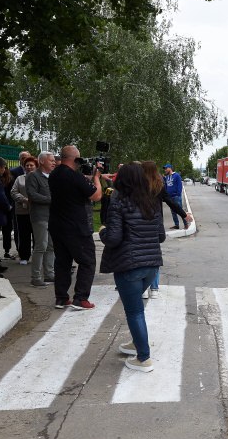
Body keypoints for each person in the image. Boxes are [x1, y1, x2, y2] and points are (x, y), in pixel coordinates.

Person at [100, 163, 166, 373]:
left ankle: (144, 358)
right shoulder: (153, 203)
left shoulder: (119, 204)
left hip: (129, 266)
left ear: (122, 180)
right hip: (151, 267)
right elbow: (161, 236)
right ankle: (137, 343)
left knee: (134, 311)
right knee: (137, 309)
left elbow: (113, 238)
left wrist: (102, 231)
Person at [48, 146, 102, 310]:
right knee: (87, 261)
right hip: (76, 227)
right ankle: (81, 298)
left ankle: (61, 298)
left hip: (57, 225)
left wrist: (89, 177)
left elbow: (74, 186)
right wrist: (97, 178)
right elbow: (96, 195)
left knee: (62, 262)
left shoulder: (54, 174)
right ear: (74, 159)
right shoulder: (74, 176)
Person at [142, 161, 192, 298]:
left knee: (142, 256)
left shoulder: (137, 187)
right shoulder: (158, 186)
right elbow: (170, 201)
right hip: (155, 224)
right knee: (154, 256)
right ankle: (154, 289)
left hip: (140, 225)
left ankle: (144, 289)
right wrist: (184, 214)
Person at [26, 152, 56, 288]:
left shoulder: (53, 176)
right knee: (41, 246)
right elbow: (32, 195)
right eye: (51, 160)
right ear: (42, 161)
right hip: (40, 216)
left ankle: (49, 274)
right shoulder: (33, 176)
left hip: (52, 216)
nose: (54, 162)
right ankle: (35, 277)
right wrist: (52, 200)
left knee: (51, 246)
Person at [11, 156, 38, 265]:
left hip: (37, 211)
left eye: (31, 165)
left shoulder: (40, 177)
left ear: (36, 166)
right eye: (27, 165)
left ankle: (37, 256)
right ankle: (24, 256)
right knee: (23, 234)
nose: (29, 167)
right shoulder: (20, 178)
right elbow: (13, 192)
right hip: (22, 210)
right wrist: (24, 200)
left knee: (37, 235)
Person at [163, 163, 185, 229]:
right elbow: (166, 186)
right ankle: (176, 225)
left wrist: (178, 194)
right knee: (173, 212)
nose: (165, 170)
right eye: (165, 169)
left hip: (176, 197)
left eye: (166, 168)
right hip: (170, 197)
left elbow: (179, 185)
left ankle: (185, 224)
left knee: (180, 210)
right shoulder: (167, 177)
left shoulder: (176, 175)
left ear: (170, 168)